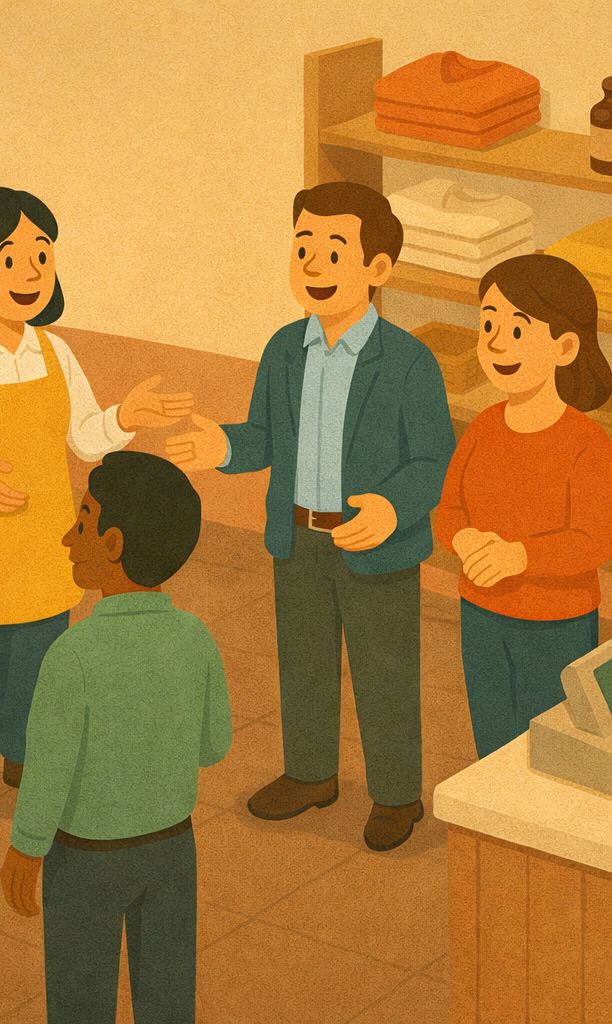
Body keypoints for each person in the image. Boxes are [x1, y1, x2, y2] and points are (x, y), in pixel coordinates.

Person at [166, 181, 454, 852]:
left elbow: (435, 461)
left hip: (374, 543)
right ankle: (310, 774)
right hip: (297, 536)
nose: (314, 265)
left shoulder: (409, 362)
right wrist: (226, 447)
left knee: (384, 669)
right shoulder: (282, 350)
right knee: (304, 663)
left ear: (378, 270)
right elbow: (266, 436)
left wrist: (389, 507)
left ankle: (395, 794)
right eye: (302, 248)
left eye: (333, 249)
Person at [0, 188, 194, 818]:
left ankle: (23, 752)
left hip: (43, 535)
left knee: (38, 651)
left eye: (43, 253)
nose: (32, 271)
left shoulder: (56, 352)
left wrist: (123, 416)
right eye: (10, 257)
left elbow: (84, 438)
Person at [0, 451, 230, 1024]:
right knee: (169, 996)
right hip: (173, 849)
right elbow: (214, 746)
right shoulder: (196, 638)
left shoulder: (71, 655)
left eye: (81, 523)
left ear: (114, 544)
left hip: (86, 862)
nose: (66, 538)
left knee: (80, 1002)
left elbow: (47, 771)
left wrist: (26, 846)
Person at [435, 253, 612, 758]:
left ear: (564, 347)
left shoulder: (588, 442)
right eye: (487, 324)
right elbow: (448, 510)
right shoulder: (483, 427)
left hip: (557, 622)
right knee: (492, 738)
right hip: (480, 611)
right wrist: (466, 539)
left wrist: (520, 557)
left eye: (516, 329)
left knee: (551, 744)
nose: (494, 341)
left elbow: (594, 540)